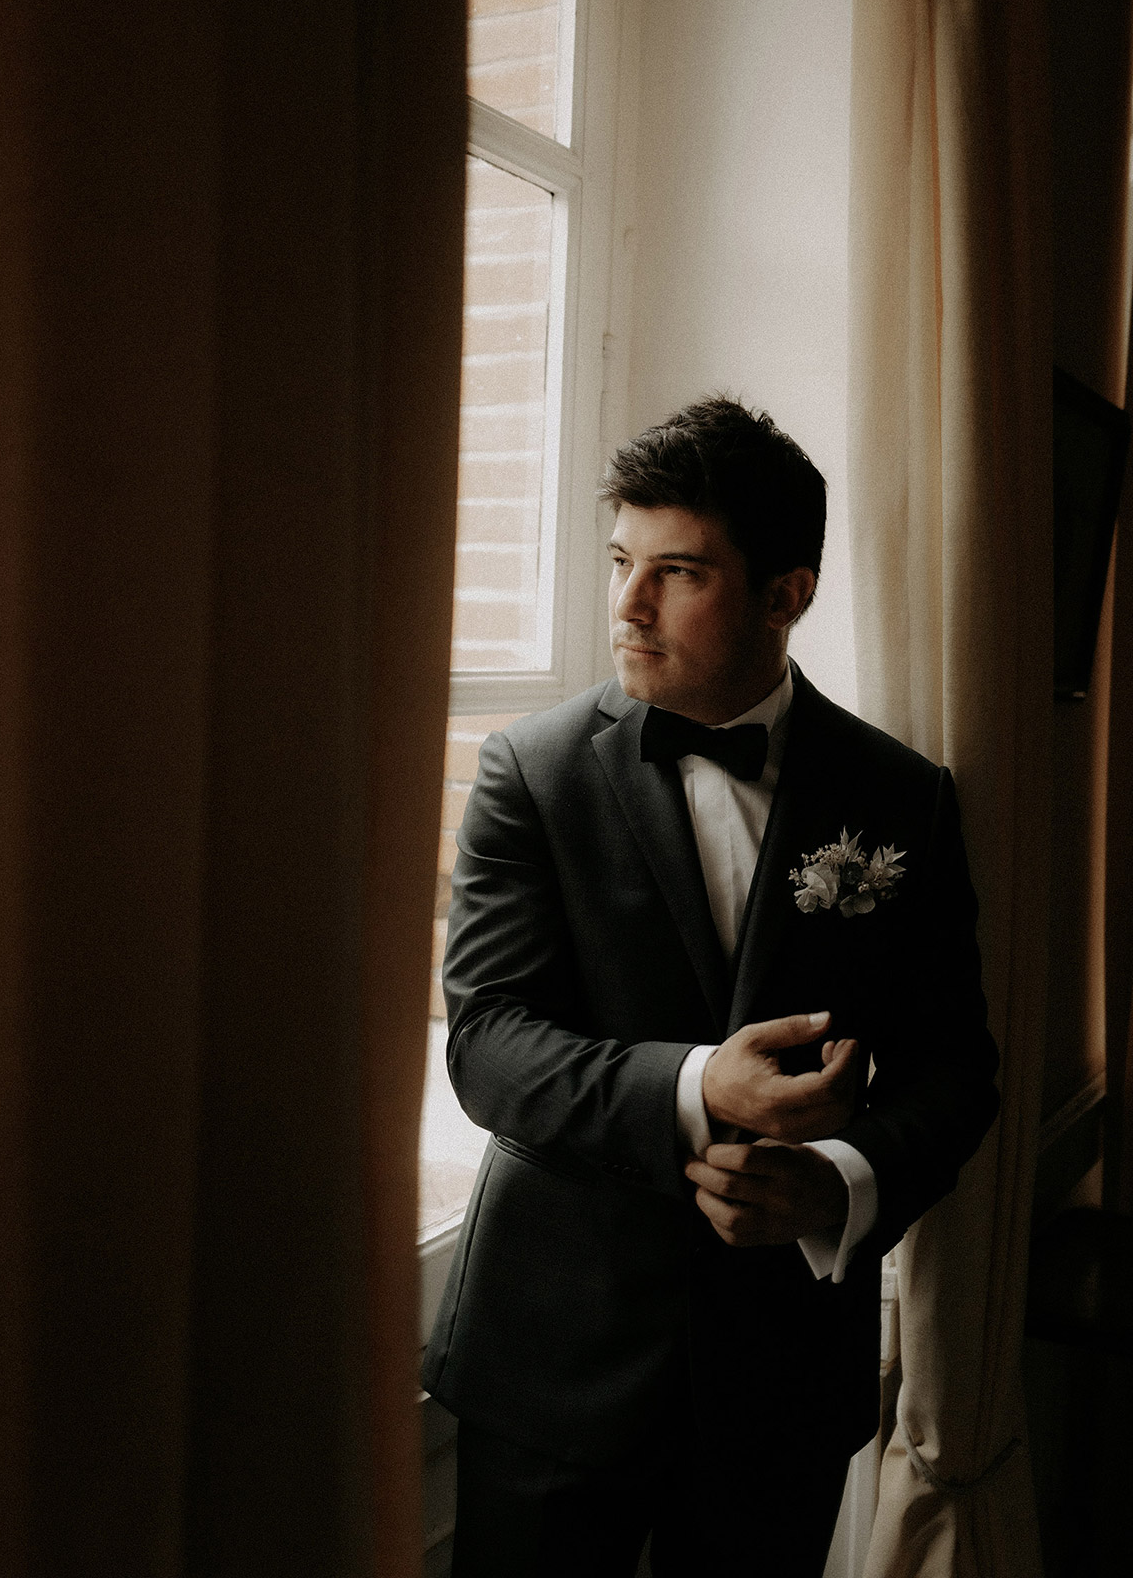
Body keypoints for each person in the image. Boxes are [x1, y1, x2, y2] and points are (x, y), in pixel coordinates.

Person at [422, 397, 999, 1578]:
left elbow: (955, 1070)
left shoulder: (903, 798)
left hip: (779, 1375)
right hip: (552, 1356)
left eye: (676, 572)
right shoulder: (529, 771)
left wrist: (837, 1183)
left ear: (787, 594)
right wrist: (695, 1087)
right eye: (620, 562)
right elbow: (486, 1043)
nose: (627, 605)